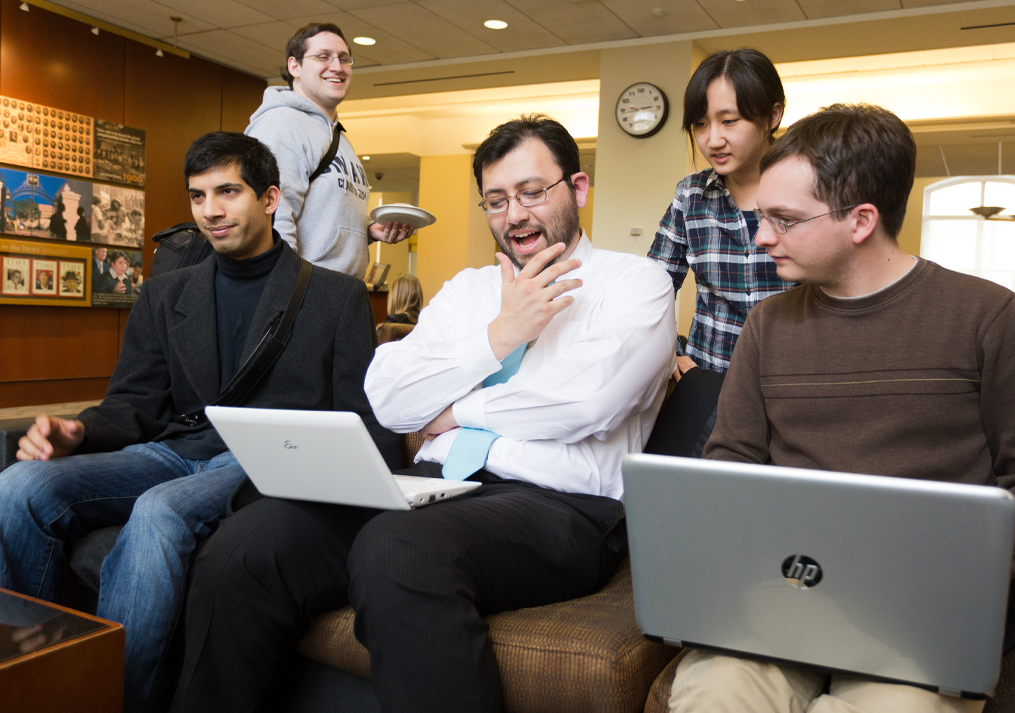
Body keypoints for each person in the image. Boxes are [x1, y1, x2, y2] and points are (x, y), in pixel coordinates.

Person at [169, 114, 676, 713]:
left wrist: (451, 411)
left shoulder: (636, 283)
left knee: (397, 545)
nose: (514, 215)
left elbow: (582, 403)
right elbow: (388, 396)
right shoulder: (468, 291)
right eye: (495, 200)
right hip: (435, 485)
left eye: (532, 192)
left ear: (579, 189)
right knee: (244, 549)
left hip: (560, 502)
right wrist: (498, 336)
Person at [666, 103, 1015, 713]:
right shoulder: (768, 325)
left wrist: (961, 575)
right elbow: (732, 468)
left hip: (922, 613)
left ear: (861, 220)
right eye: (761, 216)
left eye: (784, 219)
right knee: (711, 695)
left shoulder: (987, 317)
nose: (762, 236)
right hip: (788, 595)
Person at [0, 131, 396, 713]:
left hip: (263, 461)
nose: (211, 210)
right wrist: (79, 431)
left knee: (161, 513)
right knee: (13, 489)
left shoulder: (336, 298)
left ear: (271, 198)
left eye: (228, 192)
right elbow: (133, 403)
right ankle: (23, 682)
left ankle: (107, 698)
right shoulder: (164, 294)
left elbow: (363, 423)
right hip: (172, 449)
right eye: (198, 196)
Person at [648, 48, 794, 385]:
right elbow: (653, 288)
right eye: (700, 124)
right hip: (709, 381)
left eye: (729, 121)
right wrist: (666, 354)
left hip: (790, 383)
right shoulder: (691, 196)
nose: (713, 140)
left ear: (773, 116)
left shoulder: (808, 191)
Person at [246, 22, 412, 278]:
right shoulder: (280, 125)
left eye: (344, 59)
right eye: (323, 57)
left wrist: (366, 230)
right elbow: (272, 219)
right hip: (303, 298)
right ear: (295, 66)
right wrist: (284, 293)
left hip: (340, 294)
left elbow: (323, 218)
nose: (337, 67)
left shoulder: (338, 136)